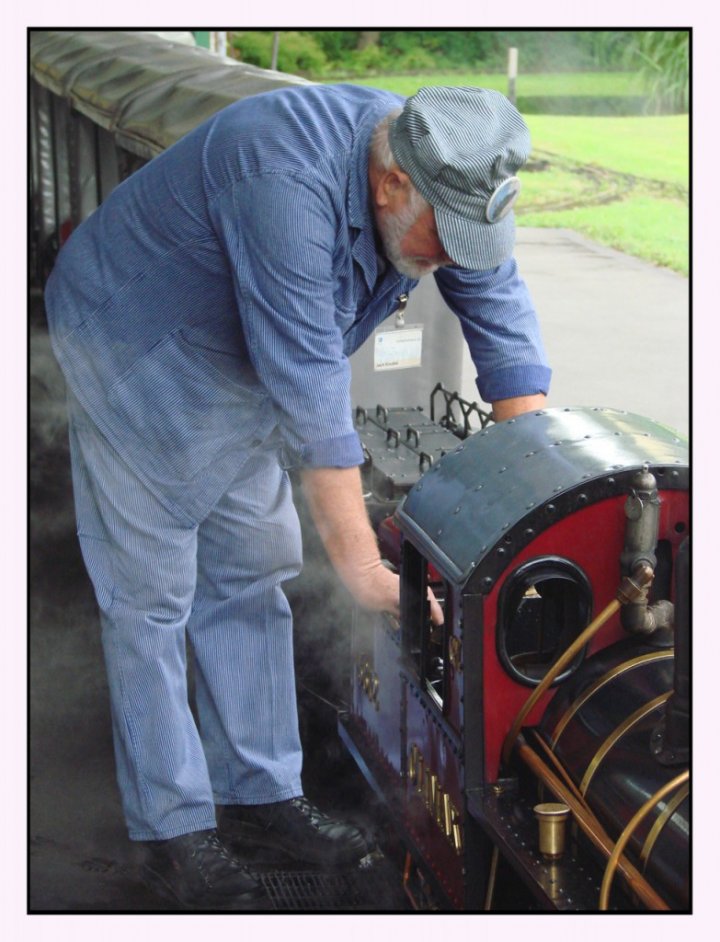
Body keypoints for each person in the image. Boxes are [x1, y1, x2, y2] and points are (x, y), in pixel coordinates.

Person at [44, 83, 551, 907]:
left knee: (252, 568)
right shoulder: (282, 180)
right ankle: (172, 835)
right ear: (390, 184)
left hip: (233, 361)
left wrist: (528, 492)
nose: (455, 257)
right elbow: (313, 390)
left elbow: (497, 306)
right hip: (136, 348)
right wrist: (365, 573)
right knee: (151, 599)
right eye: (444, 238)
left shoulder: (448, 162)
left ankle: (260, 795)